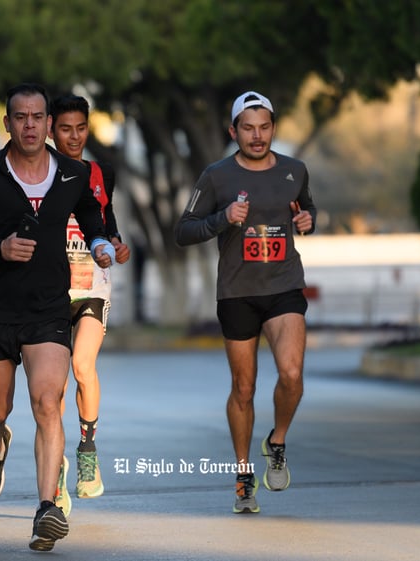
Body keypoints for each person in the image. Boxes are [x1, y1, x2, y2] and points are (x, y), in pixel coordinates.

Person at [0, 83, 114, 552]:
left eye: (38, 117)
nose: (30, 125)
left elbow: (93, 219)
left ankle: (47, 509)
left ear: (47, 123)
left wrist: (100, 244)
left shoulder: (72, 174)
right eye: (20, 117)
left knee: (47, 402)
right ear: (8, 124)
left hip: (47, 310)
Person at [174, 91, 316, 514]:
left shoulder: (295, 170)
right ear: (233, 130)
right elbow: (184, 230)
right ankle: (242, 476)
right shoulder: (216, 175)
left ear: (273, 127)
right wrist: (223, 219)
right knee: (244, 387)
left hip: (284, 285)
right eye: (248, 128)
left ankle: (276, 441)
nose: (257, 136)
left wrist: (309, 221)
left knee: (291, 374)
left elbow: (305, 210)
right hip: (237, 292)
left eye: (265, 127)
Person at [48, 94, 130, 515]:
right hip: (50, 292)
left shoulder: (102, 172)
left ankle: (88, 451)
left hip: (93, 285)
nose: (74, 136)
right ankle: (55, 463)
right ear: (50, 130)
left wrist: (115, 243)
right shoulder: (39, 173)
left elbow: (105, 217)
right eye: (66, 128)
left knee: (83, 367)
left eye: (81, 128)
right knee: (55, 384)